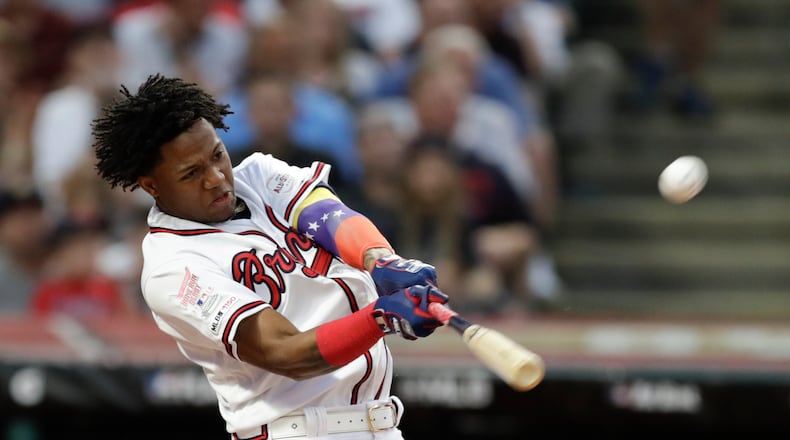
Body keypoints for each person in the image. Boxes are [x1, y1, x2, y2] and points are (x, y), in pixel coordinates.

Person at [90, 74, 448, 439]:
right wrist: (379, 319)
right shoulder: (173, 267)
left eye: (217, 155)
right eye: (191, 173)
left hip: (377, 422)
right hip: (294, 431)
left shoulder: (260, 175)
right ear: (152, 185)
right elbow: (285, 351)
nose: (216, 178)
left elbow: (330, 218)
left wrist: (380, 261)